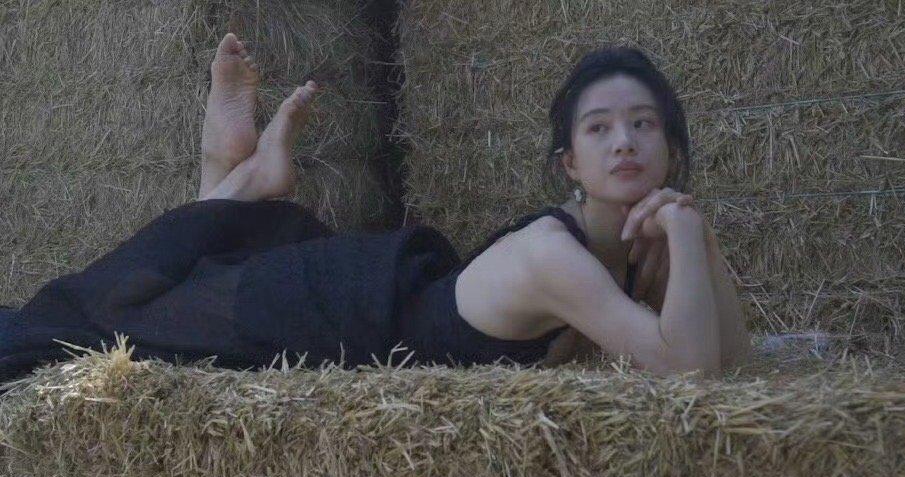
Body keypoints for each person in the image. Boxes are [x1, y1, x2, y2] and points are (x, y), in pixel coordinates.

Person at [0, 34, 749, 383]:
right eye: (599, 129)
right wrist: (685, 230)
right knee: (96, 320)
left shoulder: (632, 244)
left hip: (361, 304)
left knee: (167, 295)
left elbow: (734, 362)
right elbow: (687, 370)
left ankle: (235, 183)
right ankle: (231, 179)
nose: (624, 143)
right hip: (326, 314)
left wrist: (699, 239)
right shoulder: (553, 255)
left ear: (671, 148)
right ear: (569, 165)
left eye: (644, 125)